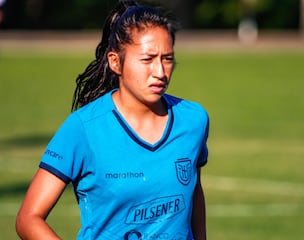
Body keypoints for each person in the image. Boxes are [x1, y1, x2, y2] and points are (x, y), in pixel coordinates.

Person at [15, 0, 209, 239]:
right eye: (147, 60)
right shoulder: (83, 128)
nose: (160, 71)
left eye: (167, 59)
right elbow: (28, 218)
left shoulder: (193, 120)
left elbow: (194, 193)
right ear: (115, 62)